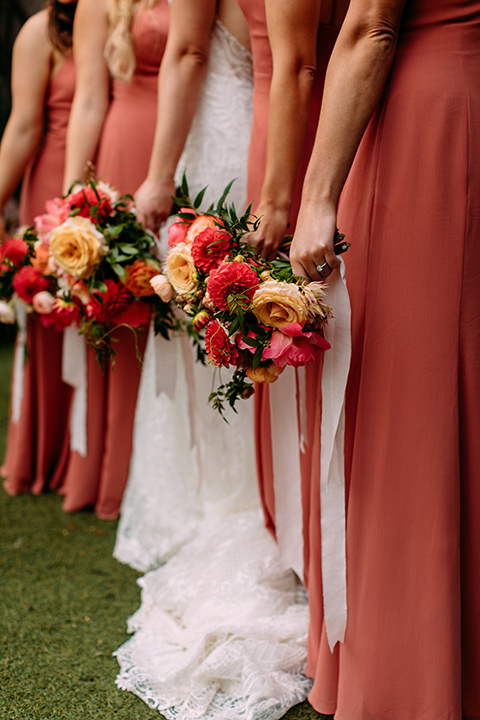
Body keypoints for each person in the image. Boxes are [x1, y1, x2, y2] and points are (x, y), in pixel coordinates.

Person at [112, 2, 314, 717]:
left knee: (229, 328)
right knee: (262, 324)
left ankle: (237, 499)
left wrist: (159, 175)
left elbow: (189, 54)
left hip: (225, 145)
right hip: (279, 129)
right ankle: (275, 500)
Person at [291, 0, 480, 717]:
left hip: (422, 123)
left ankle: (411, 665)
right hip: (461, 99)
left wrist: (316, 197)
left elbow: (372, 24)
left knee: (411, 390)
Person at [114, 0, 257, 570]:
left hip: (212, 146)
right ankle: (258, 491)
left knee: (204, 309)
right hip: (260, 124)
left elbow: (190, 50)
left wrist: (158, 174)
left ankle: (213, 495)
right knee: (243, 309)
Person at [58, 0, 170, 519]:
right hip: (123, 149)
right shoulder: (98, 3)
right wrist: (72, 203)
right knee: (122, 310)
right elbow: (87, 101)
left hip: (193, 138)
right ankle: (114, 474)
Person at [0, 0, 77, 496]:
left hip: (110, 173)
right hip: (52, 183)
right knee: (51, 318)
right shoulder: (38, 33)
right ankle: (44, 451)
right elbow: (24, 126)